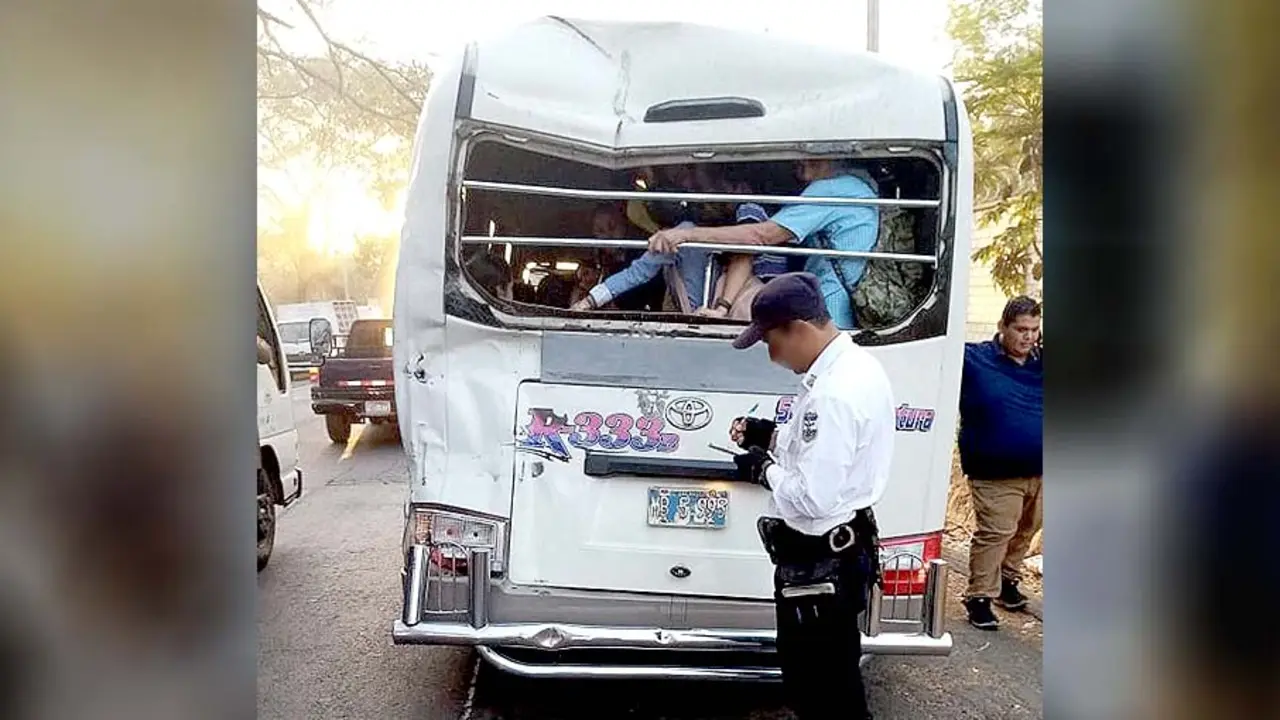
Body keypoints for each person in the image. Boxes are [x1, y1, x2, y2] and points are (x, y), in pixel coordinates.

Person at [726, 272, 894, 720]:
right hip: (835, 557)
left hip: (820, 567)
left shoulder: (833, 395)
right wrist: (772, 436)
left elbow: (815, 496)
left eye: (770, 341)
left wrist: (765, 471)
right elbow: (828, 452)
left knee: (821, 695)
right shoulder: (855, 369)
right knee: (834, 686)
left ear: (799, 328)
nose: (771, 354)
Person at [647, 159, 881, 329]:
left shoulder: (831, 189)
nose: (798, 161)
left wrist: (687, 235)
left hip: (828, 312)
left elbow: (761, 237)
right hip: (840, 308)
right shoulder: (861, 187)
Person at [958, 296, 1043, 631]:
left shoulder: (1044, 360)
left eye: (1034, 330)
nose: (1028, 337)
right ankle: (979, 597)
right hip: (993, 472)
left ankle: (1008, 581)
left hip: (1041, 468)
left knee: (1026, 529)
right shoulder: (974, 358)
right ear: (1003, 327)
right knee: (996, 532)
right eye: (1021, 329)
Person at [569, 201, 771, 314]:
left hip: (730, 312)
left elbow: (637, 273)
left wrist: (589, 301)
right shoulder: (690, 233)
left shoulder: (676, 236)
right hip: (741, 307)